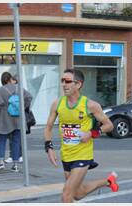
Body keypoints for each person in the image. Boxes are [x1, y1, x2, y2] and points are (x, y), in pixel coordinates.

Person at [44, 69, 119, 203]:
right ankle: (108, 181)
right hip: (66, 154)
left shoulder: (90, 105)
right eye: (62, 81)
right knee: (77, 194)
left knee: (66, 195)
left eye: (67, 81)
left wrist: (91, 133)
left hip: (83, 154)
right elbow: (48, 127)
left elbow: (109, 125)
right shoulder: (57, 104)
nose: (63, 84)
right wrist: (49, 147)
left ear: (78, 84)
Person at [0, 72, 32, 173]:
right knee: (16, 141)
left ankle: (1, 162)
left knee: (2, 140)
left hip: (5, 118)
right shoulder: (19, 88)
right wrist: (22, 107)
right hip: (18, 119)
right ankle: (15, 165)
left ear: (2, 80)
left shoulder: (1, 90)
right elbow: (29, 97)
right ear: (10, 79)